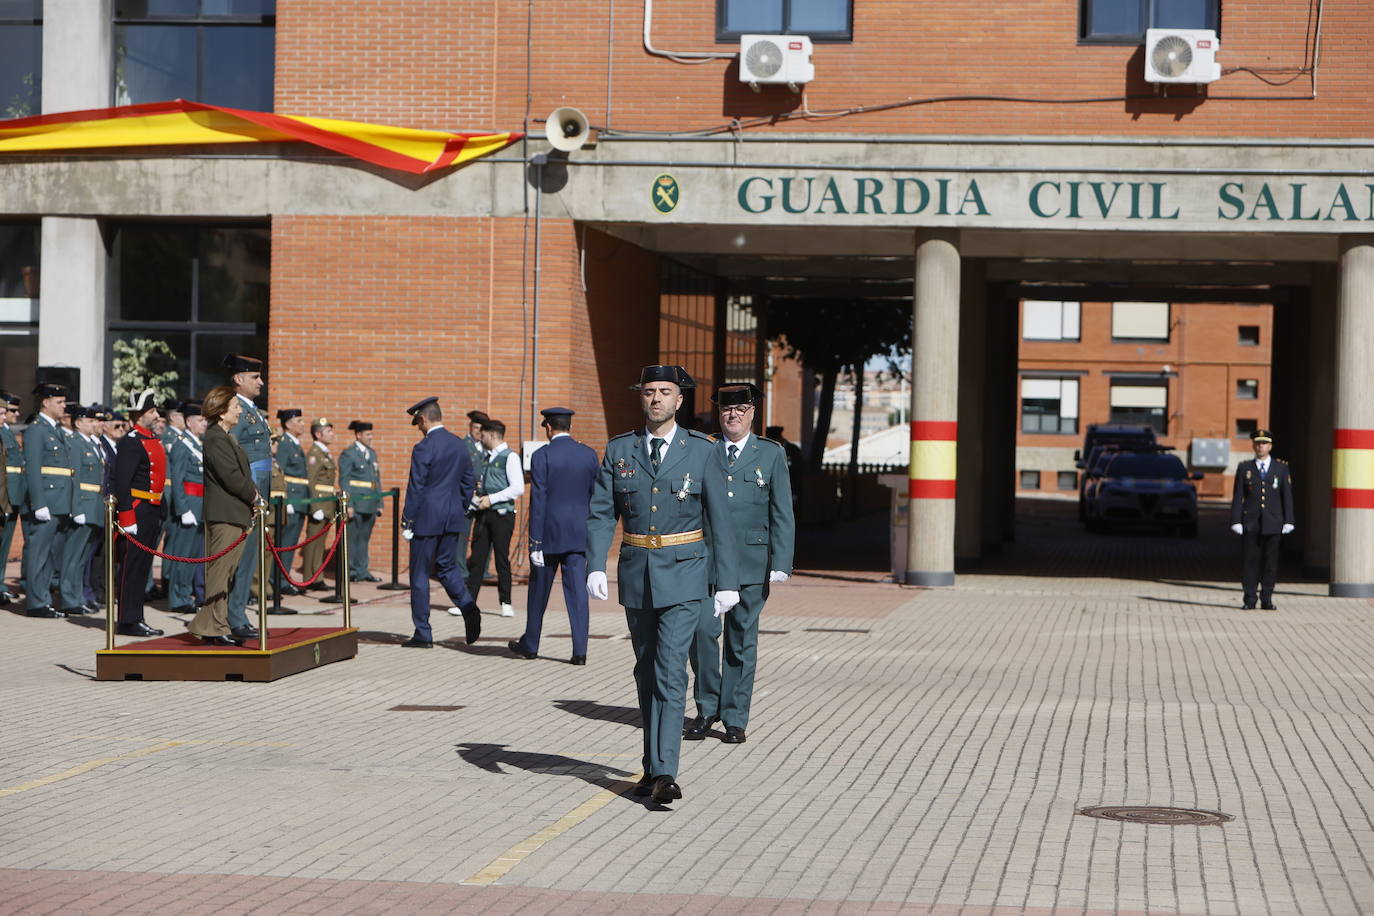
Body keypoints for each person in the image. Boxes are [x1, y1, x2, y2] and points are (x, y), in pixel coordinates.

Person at [586, 365, 741, 805]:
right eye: (649, 391)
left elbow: (720, 520)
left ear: (680, 400)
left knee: (671, 671)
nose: (656, 399)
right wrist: (595, 564)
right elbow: (601, 511)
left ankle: (666, 773)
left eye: (665, 392)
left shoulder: (701, 450)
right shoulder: (621, 449)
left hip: (687, 573)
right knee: (646, 670)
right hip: (638, 572)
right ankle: (652, 767)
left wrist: (727, 581)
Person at [687, 385, 796, 745]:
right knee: (702, 633)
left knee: (741, 640)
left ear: (752, 412)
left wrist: (781, 559)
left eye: (740, 409)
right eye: (726, 409)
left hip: (750, 561)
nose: (732, 415)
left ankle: (734, 716)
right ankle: (706, 708)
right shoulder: (704, 449)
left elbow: (782, 511)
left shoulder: (770, 453)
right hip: (707, 560)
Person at [509, 407, 598, 664]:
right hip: (579, 534)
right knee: (578, 594)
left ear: (549, 427)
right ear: (568, 426)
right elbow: (596, 497)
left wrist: (534, 542)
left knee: (539, 592)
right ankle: (579, 650)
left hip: (548, 535)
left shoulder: (542, 455)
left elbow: (539, 500)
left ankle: (531, 643)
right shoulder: (588, 455)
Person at [401, 396, 481, 647]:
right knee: (447, 568)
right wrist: (460, 506)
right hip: (452, 517)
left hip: (426, 519)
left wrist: (408, 520)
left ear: (423, 419)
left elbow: (416, 487)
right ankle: (468, 607)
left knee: (420, 575)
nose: (419, 428)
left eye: (418, 423)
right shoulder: (459, 444)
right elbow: (469, 479)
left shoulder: (424, 447)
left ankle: (423, 633)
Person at [189, 386, 261, 646]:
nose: (240, 411)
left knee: (226, 573)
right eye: (235, 407)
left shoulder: (225, 436)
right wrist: (254, 496)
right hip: (225, 513)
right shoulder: (216, 438)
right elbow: (230, 476)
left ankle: (211, 625)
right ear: (221, 411)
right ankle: (212, 626)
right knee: (219, 573)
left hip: (234, 512)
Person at [113, 389, 167, 637]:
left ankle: (137, 616)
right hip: (137, 510)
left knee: (142, 567)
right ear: (141, 414)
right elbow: (122, 482)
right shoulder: (131, 441)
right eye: (153, 411)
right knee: (131, 567)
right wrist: (126, 516)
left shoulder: (150, 439)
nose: (156, 415)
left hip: (151, 510)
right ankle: (127, 620)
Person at [224, 354, 272, 629]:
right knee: (239, 560)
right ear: (238, 379)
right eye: (255, 377)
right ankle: (234, 615)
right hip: (245, 496)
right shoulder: (235, 410)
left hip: (257, 497)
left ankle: (238, 611)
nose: (261, 382)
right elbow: (232, 455)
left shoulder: (253, 410)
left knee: (249, 558)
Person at [21, 382, 74, 618]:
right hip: (47, 501)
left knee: (51, 554)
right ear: (46, 402)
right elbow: (33, 469)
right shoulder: (36, 430)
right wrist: (39, 503)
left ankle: (43, 599)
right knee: (39, 553)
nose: (64, 406)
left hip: (60, 501)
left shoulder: (56, 430)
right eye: (59, 402)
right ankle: (35, 602)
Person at [463, 418, 523, 617]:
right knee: (477, 559)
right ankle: (468, 602)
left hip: (502, 515)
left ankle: (506, 602)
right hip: (484, 514)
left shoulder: (510, 457)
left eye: (483, 435)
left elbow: (517, 488)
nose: (481, 439)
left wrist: (492, 498)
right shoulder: (487, 457)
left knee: (501, 559)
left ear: (491, 435)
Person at [1230, 428, 1295, 610]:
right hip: (1251, 522)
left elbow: (1286, 496)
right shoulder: (1245, 468)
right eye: (1258, 443)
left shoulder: (1281, 468)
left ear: (1270, 446)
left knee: (1270, 562)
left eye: (1264, 443)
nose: (1261, 446)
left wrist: (1289, 520)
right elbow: (1238, 496)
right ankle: (1249, 599)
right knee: (1250, 562)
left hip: (1273, 522)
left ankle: (1267, 598)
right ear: (1253, 445)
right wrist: (1236, 520)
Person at [57, 405, 106, 616]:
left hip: (93, 502)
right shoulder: (75, 443)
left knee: (82, 556)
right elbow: (75, 477)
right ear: (78, 423)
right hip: (84, 503)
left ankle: (77, 596)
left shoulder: (91, 443)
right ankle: (69, 598)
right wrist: (76, 508)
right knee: (73, 556)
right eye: (89, 421)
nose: (94, 424)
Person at [166, 401, 207, 614]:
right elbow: (177, 479)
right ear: (189, 422)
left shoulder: (198, 444)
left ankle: (185, 592)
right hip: (189, 504)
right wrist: (183, 509)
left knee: (193, 555)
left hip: (200, 505)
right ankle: (177, 597)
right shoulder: (182, 444)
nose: (204, 424)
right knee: (182, 554)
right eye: (200, 420)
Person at [339, 420, 383, 582]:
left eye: (371, 434)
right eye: (367, 434)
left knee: (364, 538)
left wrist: (380, 503)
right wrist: (348, 504)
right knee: (352, 538)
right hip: (356, 502)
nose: (371, 437)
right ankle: (351, 571)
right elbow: (345, 480)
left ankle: (363, 570)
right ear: (358, 435)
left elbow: (376, 479)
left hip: (370, 502)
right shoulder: (349, 453)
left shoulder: (372, 454)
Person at [300, 417, 338, 592]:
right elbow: (311, 481)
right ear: (317, 434)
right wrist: (314, 506)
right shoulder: (315, 454)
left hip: (327, 502)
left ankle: (317, 576)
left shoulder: (324, 453)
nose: (332, 434)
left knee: (320, 542)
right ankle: (310, 577)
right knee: (313, 541)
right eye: (328, 431)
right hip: (319, 503)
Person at [274, 408, 309, 596]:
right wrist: (284, 500)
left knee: (291, 541)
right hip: (291, 499)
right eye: (299, 420)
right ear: (288, 424)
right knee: (285, 542)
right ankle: (278, 579)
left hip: (300, 499)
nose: (303, 424)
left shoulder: (295, 444)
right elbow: (280, 473)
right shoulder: (285, 444)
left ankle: (284, 577)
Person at [1, 390, 24, 603]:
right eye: (11, 411)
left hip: (12, 494)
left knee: (6, 544)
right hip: (4, 494)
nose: (15, 415)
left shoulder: (7, 431)